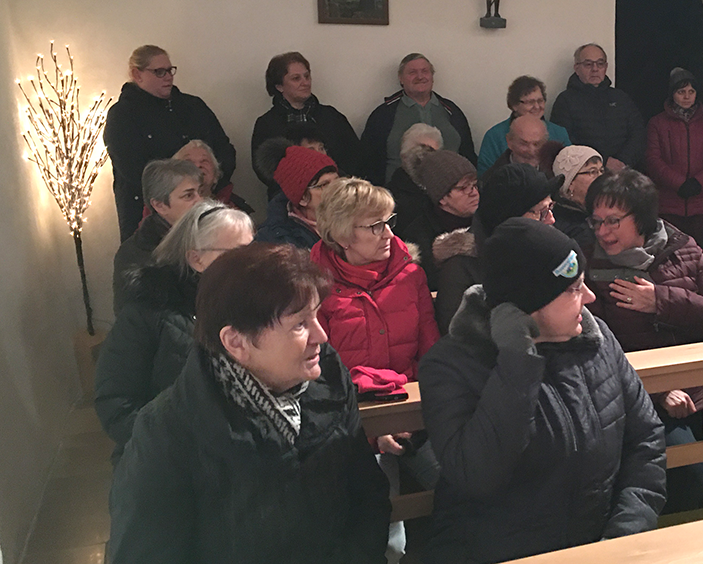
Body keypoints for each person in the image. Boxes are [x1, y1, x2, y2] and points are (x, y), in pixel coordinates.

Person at [106, 242, 390, 563]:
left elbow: (368, 495)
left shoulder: (329, 378)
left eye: (315, 316)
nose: (321, 336)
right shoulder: (167, 432)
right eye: (299, 324)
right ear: (236, 342)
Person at [419, 217, 666, 562]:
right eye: (574, 289)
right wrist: (517, 361)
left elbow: (645, 440)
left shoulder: (597, 341)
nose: (590, 297)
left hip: (598, 550)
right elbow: (477, 475)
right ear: (528, 303)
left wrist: (623, 536)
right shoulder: (452, 364)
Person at [584, 169, 703, 513]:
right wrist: (658, 391)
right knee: (689, 473)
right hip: (640, 390)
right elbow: (599, 348)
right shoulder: (592, 265)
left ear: (642, 217)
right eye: (596, 221)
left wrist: (660, 300)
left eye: (613, 221)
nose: (602, 231)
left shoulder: (682, 247)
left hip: (699, 380)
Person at [310, 177, 439, 563]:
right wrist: (376, 428)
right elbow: (319, 374)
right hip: (350, 424)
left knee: (461, 487)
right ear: (342, 236)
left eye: (389, 221)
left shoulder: (410, 274)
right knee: (382, 532)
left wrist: (417, 416)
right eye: (375, 225)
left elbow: (431, 351)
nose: (388, 234)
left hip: (414, 415)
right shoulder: (312, 285)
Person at [96, 201, 254, 461]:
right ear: (196, 259)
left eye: (252, 251)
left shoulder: (254, 306)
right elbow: (116, 403)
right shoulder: (147, 313)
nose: (251, 264)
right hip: (168, 459)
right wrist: (176, 443)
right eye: (236, 254)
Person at [104, 45, 236, 241]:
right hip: (150, 215)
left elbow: (225, 151)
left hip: (207, 206)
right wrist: (178, 191)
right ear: (137, 74)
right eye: (159, 72)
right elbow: (133, 170)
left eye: (170, 70)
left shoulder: (193, 106)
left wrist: (211, 181)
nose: (168, 77)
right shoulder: (122, 115)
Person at [432, 163, 562, 334]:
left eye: (550, 208)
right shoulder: (460, 269)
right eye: (541, 212)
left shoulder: (547, 250)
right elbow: (460, 336)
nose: (551, 219)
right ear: (510, 218)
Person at [251, 52, 360, 197]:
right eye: (296, 78)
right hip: (287, 198)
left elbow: (354, 155)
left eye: (307, 76)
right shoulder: (267, 124)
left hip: (337, 194)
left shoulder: (331, 116)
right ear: (279, 86)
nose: (305, 82)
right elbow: (264, 170)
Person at [360, 53, 476, 185]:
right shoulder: (383, 115)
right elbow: (368, 162)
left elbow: (468, 155)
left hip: (451, 191)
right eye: (412, 72)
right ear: (401, 79)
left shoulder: (452, 111)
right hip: (398, 191)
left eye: (425, 71)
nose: (420, 77)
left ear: (432, 77)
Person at [646, 68, 703, 243]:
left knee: (702, 251)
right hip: (668, 204)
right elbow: (653, 160)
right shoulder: (657, 123)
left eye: (691, 91)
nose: (687, 97)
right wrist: (679, 183)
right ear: (672, 94)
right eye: (681, 92)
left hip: (702, 205)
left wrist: (699, 182)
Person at [112, 159, 202, 314]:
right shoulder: (135, 254)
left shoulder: (212, 235)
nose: (200, 201)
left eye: (200, 192)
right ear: (159, 205)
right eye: (189, 195)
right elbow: (134, 319)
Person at [550, 43, 645, 172]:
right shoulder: (565, 101)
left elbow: (638, 133)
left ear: (606, 67)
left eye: (600, 64)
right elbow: (565, 142)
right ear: (577, 68)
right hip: (586, 173)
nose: (595, 69)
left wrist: (623, 161)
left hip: (624, 171)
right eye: (588, 64)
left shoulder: (620, 97)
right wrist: (603, 161)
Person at [403, 149, 480, 292]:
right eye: (464, 188)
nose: (474, 193)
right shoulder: (419, 235)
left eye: (474, 185)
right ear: (442, 198)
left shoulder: (487, 219)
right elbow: (429, 284)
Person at [254, 139, 340, 249]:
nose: (337, 189)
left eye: (338, 181)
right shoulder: (278, 241)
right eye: (324, 185)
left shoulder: (354, 218)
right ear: (303, 198)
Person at [478, 76, 571, 174]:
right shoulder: (494, 136)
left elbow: (571, 169)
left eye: (540, 101)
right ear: (514, 105)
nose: (537, 106)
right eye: (530, 102)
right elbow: (485, 175)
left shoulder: (559, 132)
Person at [386, 123, 442, 235]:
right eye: (421, 152)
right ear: (405, 155)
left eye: (433, 153)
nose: (427, 159)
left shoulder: (445, 190)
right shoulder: (392, 198)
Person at [172, 140, 253, 214]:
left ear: (216, 175)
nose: (197, 165)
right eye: (188, 162)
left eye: (204, 161)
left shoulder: (235, 211)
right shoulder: (167, 210)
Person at [551, 145, 603, 249]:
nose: (600, 177)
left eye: (601, 170)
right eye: (593, 172)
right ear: (570, 183)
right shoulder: (573, 226)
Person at [480, 114, 555, 182]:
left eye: (537, 144)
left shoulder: (556, 171)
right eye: (524, 144)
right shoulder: (492, 180)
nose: (531, 151)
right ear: (509, 142)